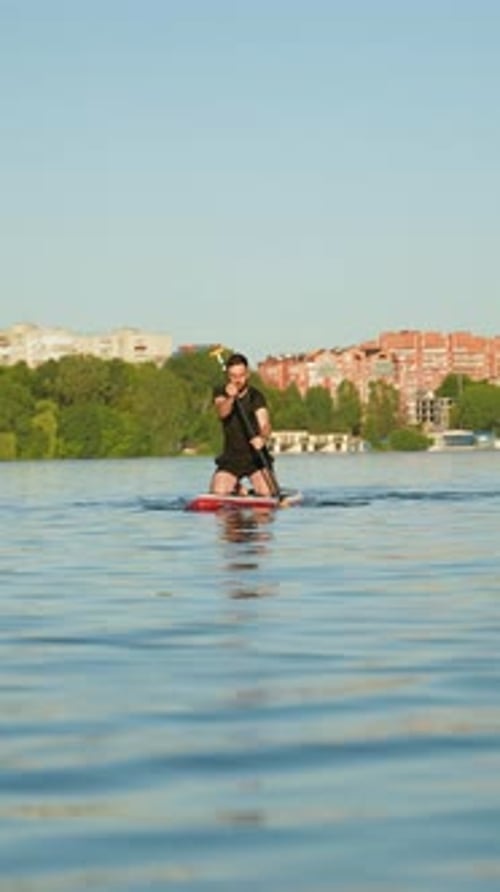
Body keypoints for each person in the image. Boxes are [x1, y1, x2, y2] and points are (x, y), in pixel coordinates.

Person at [210, 352, 275, 496]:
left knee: (266, 493)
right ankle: (237, 488)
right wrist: (231, 399)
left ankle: (248, 490)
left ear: (248, 374)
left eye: (241, 375)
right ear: (228, 375)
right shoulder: (220, 392)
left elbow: (265, 425)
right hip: (231, 457)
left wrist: (262, 438)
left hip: (255, 457)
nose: (238, 380)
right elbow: (222, 413)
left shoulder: (256, 396)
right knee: (218, 492)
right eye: (233, 376)